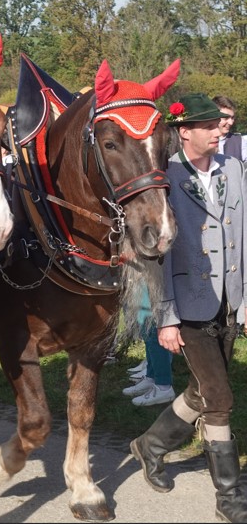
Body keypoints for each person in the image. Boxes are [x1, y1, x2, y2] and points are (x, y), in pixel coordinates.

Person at [130, 93, 247, 522]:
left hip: (229, 304)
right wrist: (166, 317)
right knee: (218, 398)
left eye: (221, 124)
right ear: (185, 132)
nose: (221, 130)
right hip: (188, 306)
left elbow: (246, 234)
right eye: (211, 125)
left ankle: (151, 446)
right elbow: (157, 258)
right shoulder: (164, 177)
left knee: (201, 391)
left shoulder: (233, 168)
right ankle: (230, 497)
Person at [122, 284, 175, 406]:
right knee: (145, 328)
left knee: (154, 332)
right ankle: (151, 377)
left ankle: (163, 386)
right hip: (142, 279)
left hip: (154, 277)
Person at [214, 95, 246, 160]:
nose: (231, 122)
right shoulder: (202, 141)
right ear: (214, 116)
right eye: (226, 118)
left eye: (232, 118)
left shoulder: (239, 141)